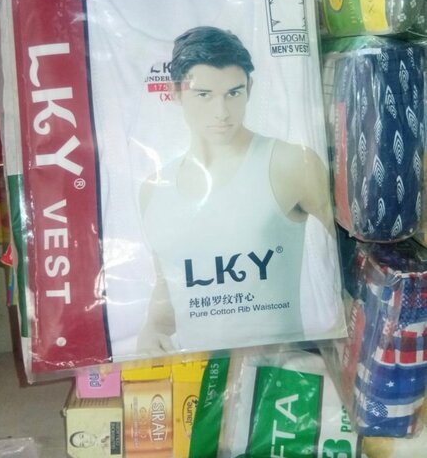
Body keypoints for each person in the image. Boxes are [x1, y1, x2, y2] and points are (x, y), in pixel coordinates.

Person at [137, 26, 334, 353]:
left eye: (233, 93)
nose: (222, 112)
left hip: (281, 373)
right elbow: (168, 290)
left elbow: (356, 261)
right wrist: (153, 329)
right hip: (202, 374)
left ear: (249, 88)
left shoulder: (291, 164)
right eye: (204, 95)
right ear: (175, 93)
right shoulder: (154, 190)